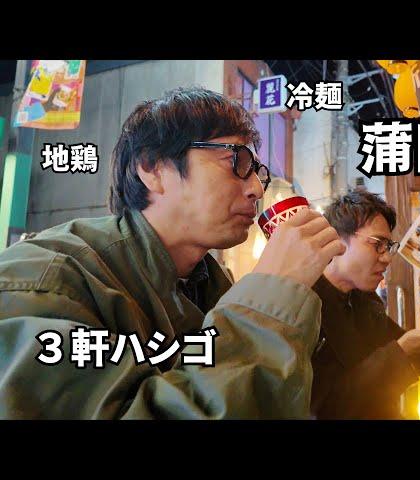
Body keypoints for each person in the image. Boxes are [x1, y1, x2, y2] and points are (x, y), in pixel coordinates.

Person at [0, 86, 345, 419]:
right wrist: (273, 296)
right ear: (153, 168)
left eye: (259, 173)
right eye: (236, 160)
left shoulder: (211, 288)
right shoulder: (49, 279)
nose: (255, 188)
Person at [311, 191, 420, 419]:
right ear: (336, 240)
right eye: (377, 244)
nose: (387, 258)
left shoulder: (365, 301)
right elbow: (325, 407)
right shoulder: (306, 306)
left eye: (388, 246)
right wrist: (401, 351)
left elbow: (409, 352)